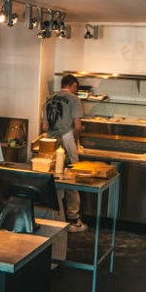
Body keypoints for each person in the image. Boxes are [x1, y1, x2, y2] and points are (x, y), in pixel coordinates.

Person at [43, 75, 87, 233]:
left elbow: (44, 126)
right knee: (71, 178)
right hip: (67, 140)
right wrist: (79, 136)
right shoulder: (74, 99)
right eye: (76, 87)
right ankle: (73, 219)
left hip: (49, 143)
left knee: (52, 179)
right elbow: (76, 125)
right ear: (73, 85)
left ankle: (55, 217)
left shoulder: (49, 99)